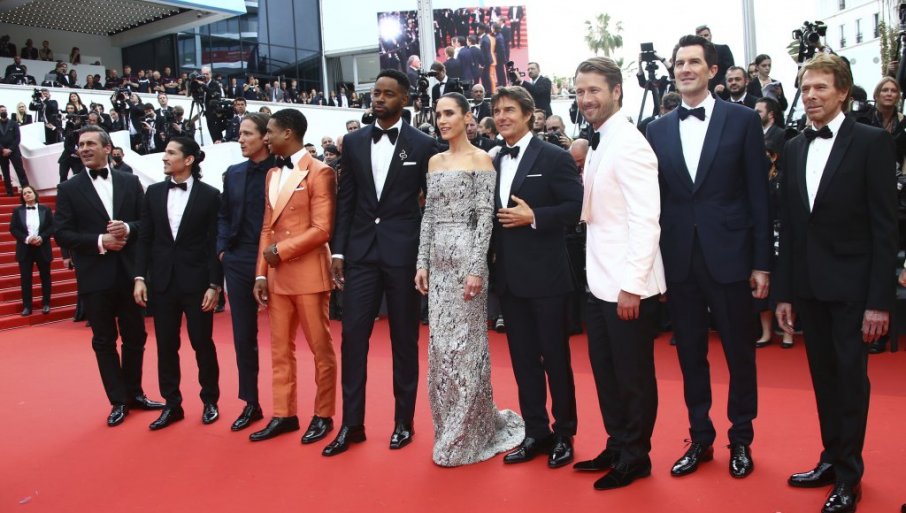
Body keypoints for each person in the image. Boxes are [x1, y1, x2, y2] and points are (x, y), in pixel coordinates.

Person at [775, 53, 897, 513]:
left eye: (820, 87)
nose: (810, 96)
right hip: (809, 287)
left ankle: (849, 475)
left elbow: (885, 228)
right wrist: (786, 293)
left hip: (853, 288)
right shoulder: (793, 147)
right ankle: (830, 458)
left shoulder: (871, 142)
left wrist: (879, 301)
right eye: (805, 88)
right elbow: (791, 227)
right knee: (824, 379)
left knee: (849, 383)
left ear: (843, 91)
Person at [645, 34, 770, 479]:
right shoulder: (656, 129)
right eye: (679, 62)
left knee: (740, 353)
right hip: (680, 259)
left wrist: (762, 262)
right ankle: (700, 436)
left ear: (712, 70)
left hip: (731, 255)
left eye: (694, 62)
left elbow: (759, 195)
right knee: (690, 355)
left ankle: (741, 438)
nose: (685, 69)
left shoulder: (742, 120)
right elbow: (654, 202)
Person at [325, 69, 439, 456]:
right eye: (375, 92)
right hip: (360, 254)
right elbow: (346, 200)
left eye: (388, 93)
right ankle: (351, 424)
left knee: (404, 340)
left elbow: (431, 206)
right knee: (353, 338)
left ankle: (403, 422)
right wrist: (339, 251)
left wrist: (424, 256)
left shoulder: (423, 145)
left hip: (403, 254)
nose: (378, 98)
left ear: (404, 100)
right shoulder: (354, 141)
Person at [570, 56, 666, 489]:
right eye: (579, 91)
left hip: (628, 285)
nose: (585, 98)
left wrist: (632, 286)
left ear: (616, 91)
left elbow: (647, 220)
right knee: (606, 373)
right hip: (599, 282)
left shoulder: (630, 143)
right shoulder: (599, 141)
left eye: (593, 90)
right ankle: (618, 443)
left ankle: (636, 456)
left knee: (633, 376)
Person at [414, 92, 524, 467]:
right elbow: (429, 216)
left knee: (466, 348)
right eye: (438, 114)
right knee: (441, 349)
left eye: (449, 113)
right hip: (438, 263)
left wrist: (477, 268)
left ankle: (469, 432)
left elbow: (484, 219)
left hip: (466, 262)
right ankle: (449, 426)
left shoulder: (482, 159)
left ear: (466, 117)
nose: (442, 120)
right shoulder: (434, 161)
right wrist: (422, 262)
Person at [490, 86, 583, 468]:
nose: (502, 117)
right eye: (497, 111)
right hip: (509, 279)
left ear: (529, 114)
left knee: (556, 359)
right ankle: (535, 432)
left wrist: (535, 217)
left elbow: (576, 207)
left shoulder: (555, 157)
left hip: (548, 278)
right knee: (523, 360)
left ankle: (564, 433)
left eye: (509, 110)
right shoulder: (493, 159)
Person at [54, 125, 164, 426]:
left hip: (130, 274)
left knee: (136, 336)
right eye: (81, 145)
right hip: (95, 276)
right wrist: (100, 241)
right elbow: (61, 232)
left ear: (107, 148)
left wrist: (127, 229)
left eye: (90, 143)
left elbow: (146, 222)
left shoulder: (130, 181)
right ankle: (118, 400)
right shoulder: (68, 188)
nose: (84, 149)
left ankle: (134, 393)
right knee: (104, 339)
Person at [249, 109, 338, 444]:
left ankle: (323, 414)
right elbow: (266, 228)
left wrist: (281, 251)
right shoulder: (272, 174)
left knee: (320, 350)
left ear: (288, 133)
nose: (265, 138)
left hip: (309, 274)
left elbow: (322, 229)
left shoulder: (321, 171)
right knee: (279, 350)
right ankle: (284, 414)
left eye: (270, 132)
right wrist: (261, 274)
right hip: (277, 276)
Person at [133, 137, 222, 430]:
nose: (164, 157)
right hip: (162, 283)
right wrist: (140, 277)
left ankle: (210, 400)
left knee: (202, 343)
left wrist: (214, 284)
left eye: (171, 153)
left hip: (197, 283)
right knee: (166, 345)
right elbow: (145, 239)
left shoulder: (210, 195)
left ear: (188, 160)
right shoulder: (153, 193)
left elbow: (214, 243)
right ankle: (172, 404)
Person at [217, 113, 275, 432]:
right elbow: (223, 214)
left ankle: (286, 407)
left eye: (247, 133)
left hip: (276, 259)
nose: (240, 139)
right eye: (239, 133)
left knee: (283, 336)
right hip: (238, 259)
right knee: (243, 334)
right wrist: (223, 249)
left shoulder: (283, 170)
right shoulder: (234, 173)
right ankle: (250, 402)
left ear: (266, 136)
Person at [10, 186, 53, 316]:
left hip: (42, 246)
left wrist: (42, 237)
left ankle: (46, 303)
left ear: (34, 193)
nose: (27, 195)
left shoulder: (45, 209)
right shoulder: (17, 211)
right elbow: (13, 229)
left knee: (45, 276)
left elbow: (52, 227)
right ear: (22, 197)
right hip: (25, 248)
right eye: (24, 194)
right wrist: (27, 239)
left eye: (29, 192)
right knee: (25, 278)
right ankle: (27, 306)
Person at [0, 105, 30, 196]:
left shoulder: (14, 123)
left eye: (5, 110)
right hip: (1, 153)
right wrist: (2, 149)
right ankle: (9, 192)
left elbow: (17, 138)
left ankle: (26, 190)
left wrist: (10, 149)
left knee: (20, 171)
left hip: (14, 151)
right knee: (5, 173)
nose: (4, 112)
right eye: (2, 110)